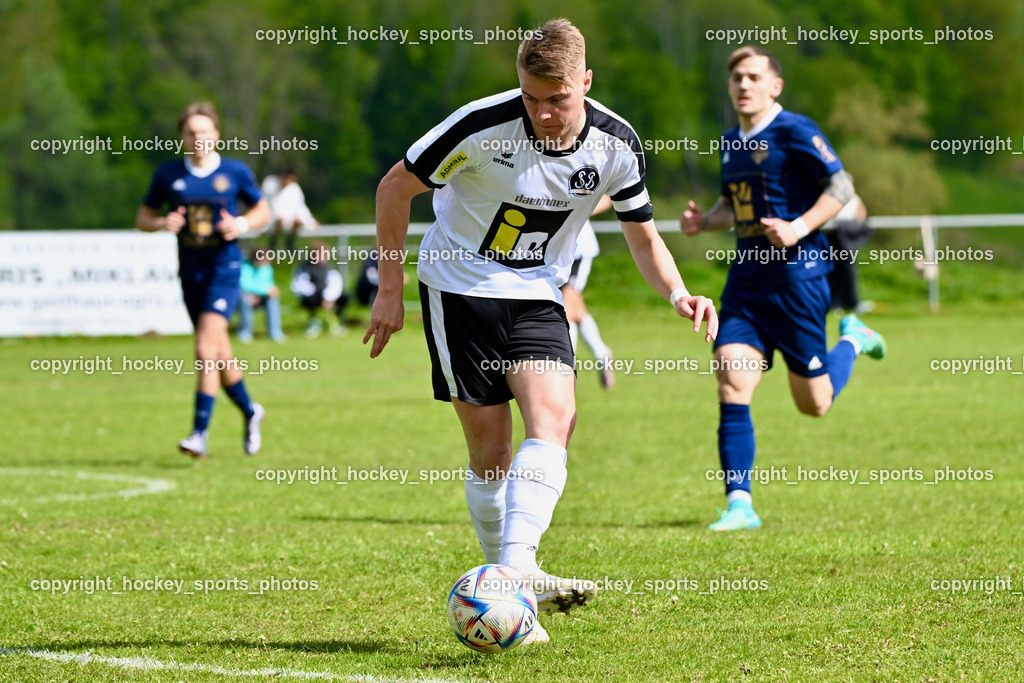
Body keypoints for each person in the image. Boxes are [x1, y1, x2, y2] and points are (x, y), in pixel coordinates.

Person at [364, 19, 718, 644]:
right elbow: (395, 187)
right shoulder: (479, 125)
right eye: (531, 98)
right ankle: (514, 580)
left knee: (555, 420)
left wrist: (679, 292)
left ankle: (515, 574)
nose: (544, 113)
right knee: (491, 453)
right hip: (458, 288)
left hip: (536, 293)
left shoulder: (615, 144)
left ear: (585, 82)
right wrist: (389, 291)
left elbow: (642, 234)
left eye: (558, 99)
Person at [680, 46, 886, 531]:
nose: (743, 85)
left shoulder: (796, 129)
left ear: (775, 86)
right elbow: (736, 205)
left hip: (798, 281)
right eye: (735, 78)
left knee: (813, 404)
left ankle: (853, 336)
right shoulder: (731, 140)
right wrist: (705, 221)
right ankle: (740, 504)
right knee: (732, 380)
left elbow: (841, 187)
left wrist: (798, 227)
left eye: (753, 76)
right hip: (747, 284)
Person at [136, 101, 269, 459]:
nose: (198, 138)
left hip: (224, 270)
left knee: (204, 350)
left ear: (216, 135)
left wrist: (241, 224)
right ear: (181, 137)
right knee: (220, 353)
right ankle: (250, 411)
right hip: (190, 272)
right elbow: (143, 217)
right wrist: (163, 223)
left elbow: (262, 210)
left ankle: (199, 433)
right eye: (191, 133)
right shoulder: (168, 175)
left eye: (204, 132)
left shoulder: (234, 171)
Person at [561, 195, 615, 388]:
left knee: (567, 304)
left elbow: (607, 199)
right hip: (552, 252)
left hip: (578, 252)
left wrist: (576, 211)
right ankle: (601, 353)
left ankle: (567, 365)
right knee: (572, 307)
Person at [822, 193, 873, 313]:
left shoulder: (854, 197)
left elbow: (861, 212)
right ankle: (835, 303)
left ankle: (851, 302)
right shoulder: (830, 195)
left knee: (848, 271)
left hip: (847, 237)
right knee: (833, 271)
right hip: (834, 234)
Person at [291, 240, 346, 337]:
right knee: (311, 299)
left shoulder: (329, 268)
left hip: (327, 297)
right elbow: (300, 286)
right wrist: (320, 296)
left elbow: (335, 283)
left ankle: (336, 322)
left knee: (345, 297)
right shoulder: (305, 268)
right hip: (311, 297)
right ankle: (314, 322)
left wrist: (328, 297)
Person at [263, 169, 318, 252]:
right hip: (271, 219)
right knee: (279, 220)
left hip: (288, 221)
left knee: (298, 221)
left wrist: (310, 221)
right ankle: (273, 244)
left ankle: (290, 243)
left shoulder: (294, 189)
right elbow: (265, 203)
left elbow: (300, 207)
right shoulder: (270, 184)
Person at [238, 250, 286, 343]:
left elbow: (269, 284)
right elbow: (244, 284)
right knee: (246, 298)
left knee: (273, 298)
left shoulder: (267, 268)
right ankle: (245, 332)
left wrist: (268, 291)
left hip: (261, 297)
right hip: (243, 298)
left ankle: (275, 332)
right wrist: (263, 291)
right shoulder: (244, 266)